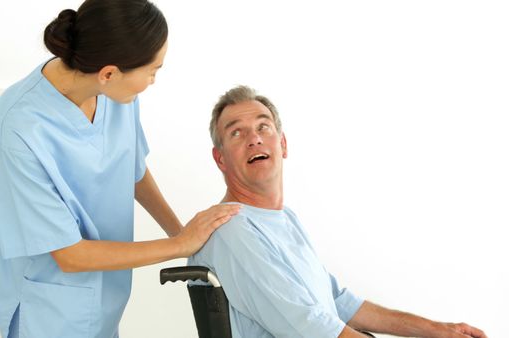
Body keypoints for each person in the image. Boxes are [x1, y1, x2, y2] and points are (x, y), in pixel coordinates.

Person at [0, 1, 240, 337]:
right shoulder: (17, 129)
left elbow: (131, 169)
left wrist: (181, 234)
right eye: (152, 71)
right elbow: (70, 255)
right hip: (48, 308)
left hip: (104, 298)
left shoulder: (117, 95)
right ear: (109, 73)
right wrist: (180, 246)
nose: (152, 81)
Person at [188, 85, 488, 338]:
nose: (254, 138)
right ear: (220, 159)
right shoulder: (230, 229)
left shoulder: (284, 219)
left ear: (283, 144)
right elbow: (307, 325)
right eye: (237, 133)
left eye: (263, 127)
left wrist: (438, 330)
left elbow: (338, 302)